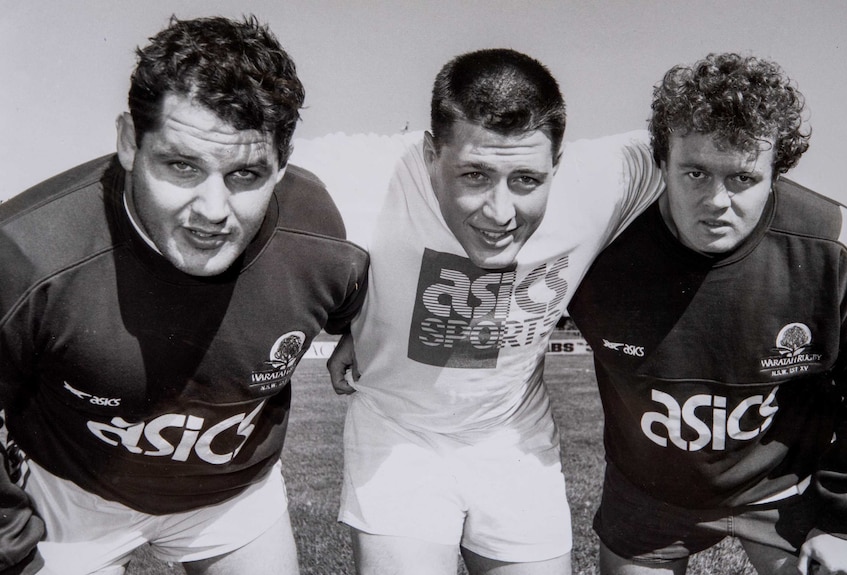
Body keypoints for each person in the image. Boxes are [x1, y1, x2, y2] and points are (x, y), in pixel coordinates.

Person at [0, 15, 367, 575]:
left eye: (246, 174)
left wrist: (356, 336)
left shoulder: (318, 239)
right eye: (180, 165)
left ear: (283, 165)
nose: (213, 211)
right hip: (70, 492)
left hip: (232, 498)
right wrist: (12, 546)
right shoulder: (29, 255)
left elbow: (355, 304)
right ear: (128, 141)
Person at [316, 48, 664, 574]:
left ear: (558, 164)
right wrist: (349, 312)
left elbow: (714, 158)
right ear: (431, 153)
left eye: (526, 180)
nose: (500, 213)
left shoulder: (606, 178)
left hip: (514, 436)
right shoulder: (363, 175)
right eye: (475, 175)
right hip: (398, 432)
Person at [568, 53, 847, 575]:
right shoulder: (598, 247)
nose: (717, 201)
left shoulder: (831, 247)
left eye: (743, 177)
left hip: (785, 490)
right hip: (647, 496)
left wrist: (844, 520)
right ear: (661, 162)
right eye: (696, 172)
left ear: (777, 174)